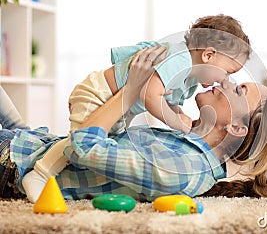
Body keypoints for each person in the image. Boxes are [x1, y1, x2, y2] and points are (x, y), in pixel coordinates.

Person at [1, 44, 267, 202]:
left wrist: (130, 92)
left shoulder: (181, 168)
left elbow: (82, 147)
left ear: (237, 129)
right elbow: (108, 139)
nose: (228, 81)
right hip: (34, 141)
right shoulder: (186, 139)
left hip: (15, 163)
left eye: (240, 90)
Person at [22, 15, 252, 201]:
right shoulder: (180, 61)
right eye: (229, 72)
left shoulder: (190, 78)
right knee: (78, 140)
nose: (225, 81)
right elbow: (150, 95)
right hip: (99, 92)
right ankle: (40, 173)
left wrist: (179, 114)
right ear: (209, 55)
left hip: (120, 104)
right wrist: (173, 121)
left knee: (106, 140)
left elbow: (168, 98)